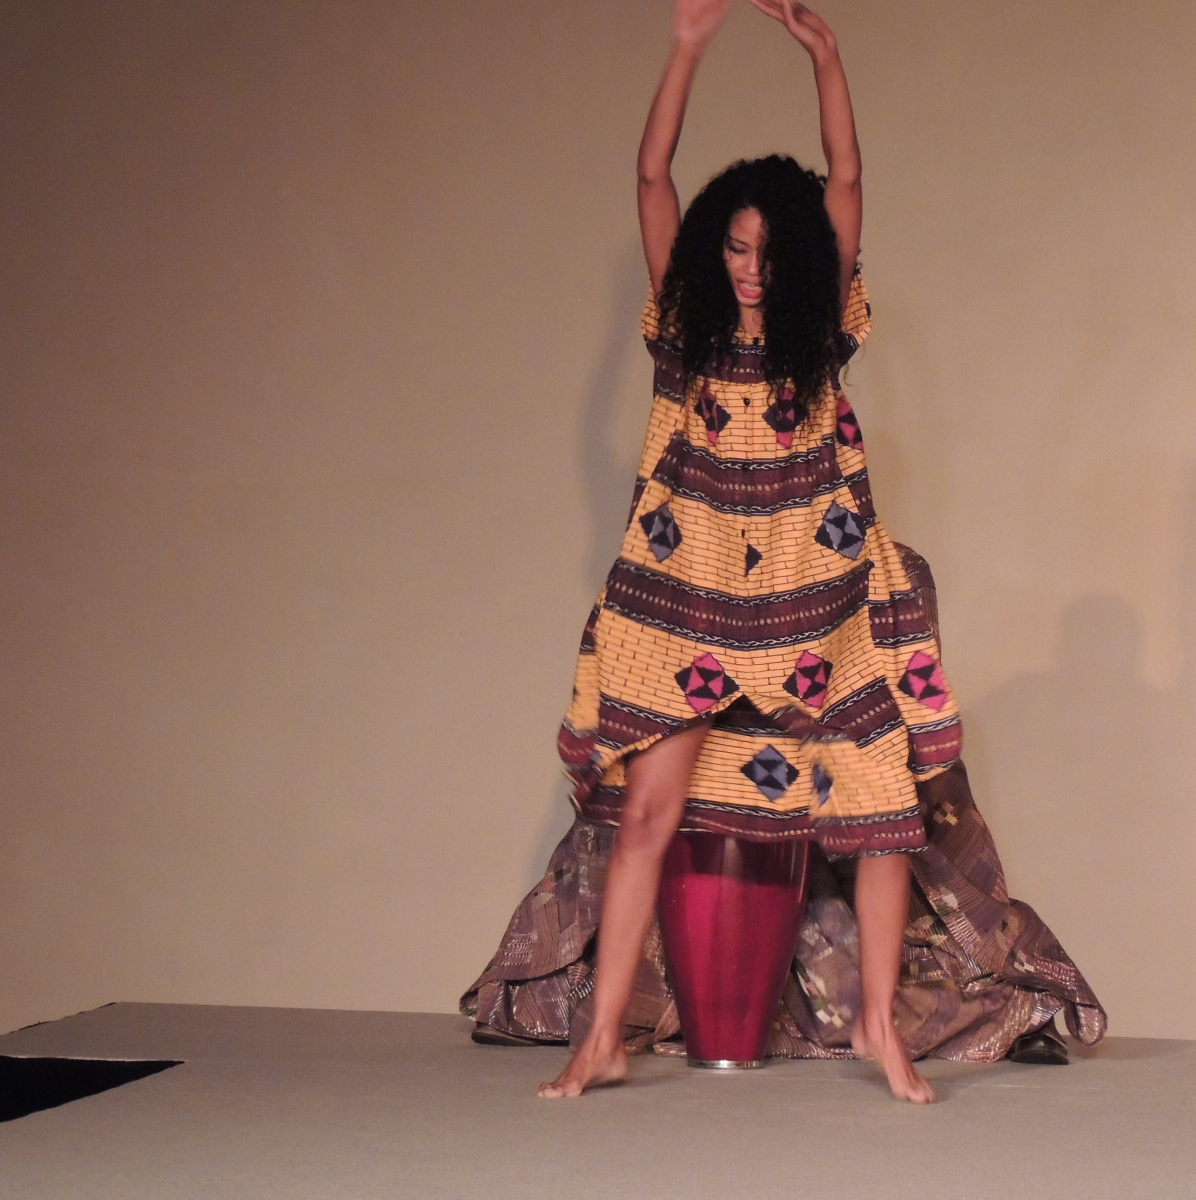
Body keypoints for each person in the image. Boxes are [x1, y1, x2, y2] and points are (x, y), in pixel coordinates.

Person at [462, 0, 1105, 1102]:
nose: (751, 267)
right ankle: (602, 1035)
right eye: (735, 245)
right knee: (648, 815)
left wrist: (828, 58)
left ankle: (879, 1031)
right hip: (688, 601)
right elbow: (652, 177)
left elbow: (847, 179)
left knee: (881, 810)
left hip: (820, 603)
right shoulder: (685, 332)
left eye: (768, 250)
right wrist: (685, 51)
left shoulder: (821, 340)